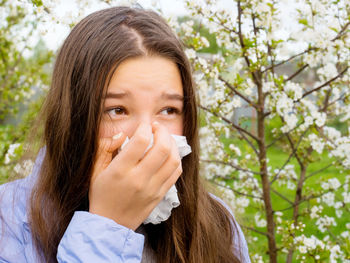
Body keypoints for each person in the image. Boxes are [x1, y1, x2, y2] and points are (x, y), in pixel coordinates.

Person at [0, 6, 250, 263]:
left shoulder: (217, 223)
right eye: (117, 110)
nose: (144, 136)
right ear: (74, 117)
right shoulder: (8, 220)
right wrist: (107, 226)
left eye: (168, 110)